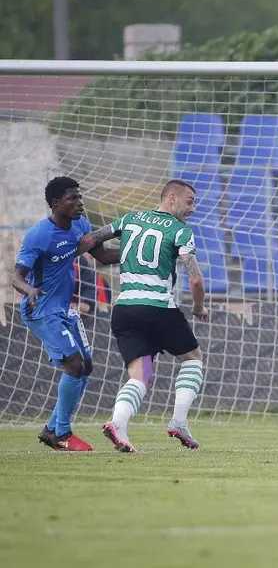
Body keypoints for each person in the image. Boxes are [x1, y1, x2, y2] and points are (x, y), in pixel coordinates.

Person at [78, 179, 208, 453]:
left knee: (140, 375)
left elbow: (91, 240)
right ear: (172, 198)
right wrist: (199, 308)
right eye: (189, 202)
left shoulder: (129, 220)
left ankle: (118, 423)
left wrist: (64, 255)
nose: (192, 209)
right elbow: (196, 280)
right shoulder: (180, 231)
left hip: (125, 310)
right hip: (158, 309)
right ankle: (179, 421)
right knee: (193, 359)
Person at [12, 176, 119, 451]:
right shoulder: (39, 235)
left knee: (86, 367)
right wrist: (29, 290)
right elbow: (16, 277)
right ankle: (62, 433)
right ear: (56, 203)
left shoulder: (81, 224)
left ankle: (51, 430)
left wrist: (137, 253)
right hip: (41, 309)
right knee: (73, 365)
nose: (79, 202)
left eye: (80, 197)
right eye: (73, 198)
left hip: (64, 309)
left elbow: (103, 256)